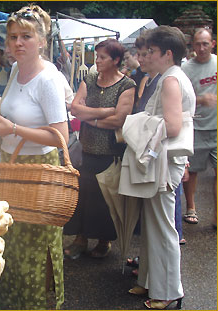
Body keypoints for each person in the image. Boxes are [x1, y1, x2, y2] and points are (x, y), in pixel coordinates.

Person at [0, 4, 68, 309]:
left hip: (37, 171)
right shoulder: (18, 69)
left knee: (33, 246)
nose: (18, 43)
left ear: (42, 40)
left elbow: (61, 137)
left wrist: (13, 127)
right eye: (13, 37)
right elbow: (16, 111)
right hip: (10, 165)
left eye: (27, 37)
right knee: (9, 241)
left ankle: (35, 305)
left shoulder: (49, 81)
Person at [123, 25, 196, 309]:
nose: (146, 56)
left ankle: (168, 292)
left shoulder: (170, 80)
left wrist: (138, 124)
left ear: (167, 54)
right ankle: (151, 281)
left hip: (164, 162)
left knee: (163, 229)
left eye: (151, 51)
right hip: (163, 161)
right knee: (155, 226)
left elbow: (173, 125)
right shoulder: (170, 77)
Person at [63, 39, 136, 259]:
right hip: (86, 149)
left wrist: (90, 116)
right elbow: (75, 108)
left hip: (110, 152)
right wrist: (106, 111)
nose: (98, 60)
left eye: (103, 57)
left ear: (115, 60)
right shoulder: (91, 78)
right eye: (97, 56)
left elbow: (119, 121)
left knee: (105, 199)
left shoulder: (127, 85)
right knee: (82, 197)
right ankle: (80, 239)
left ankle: (104, 240)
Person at [181, 27, 217, 227]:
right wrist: (201, 99)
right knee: (192, 171)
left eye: (206, 43)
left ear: (213, 43)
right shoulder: (187, 69)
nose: (202, 48)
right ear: (192, 45)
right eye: (198, 44)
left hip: (216, 127)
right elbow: (181, 97)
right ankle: (191, 207)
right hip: (196, 127)